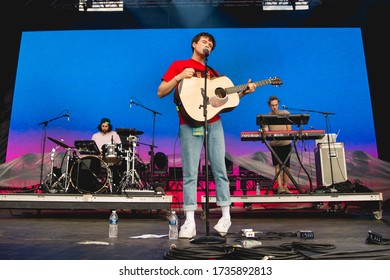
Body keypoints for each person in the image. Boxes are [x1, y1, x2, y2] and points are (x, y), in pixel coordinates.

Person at [157, 32, 257, 239]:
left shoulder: (212, 71)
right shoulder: (179, 64)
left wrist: (244, 92)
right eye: (204, 42)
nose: (208, 45)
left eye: (210, 44)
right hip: (188, 123)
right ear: (194, 44)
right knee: (190, 173)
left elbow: (222, 101)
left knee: (220, 169)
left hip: (213, 123)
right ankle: (190, 221)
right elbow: (160, 91)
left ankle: (226, 216)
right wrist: (179, 77)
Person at [262, 96, 292, 194]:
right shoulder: (267, 117)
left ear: (278, 104)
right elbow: (266, 131)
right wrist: (264, 129)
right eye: (272, 105)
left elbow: (289, 129)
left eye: (276, 105)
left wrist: (285, 135)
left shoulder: (285, 113)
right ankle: (280, 187)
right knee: (277, 166)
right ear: (269, 106)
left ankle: (285, 186)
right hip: (275, 144)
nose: (274, 107)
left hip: (286, 143)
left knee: (286, 166)